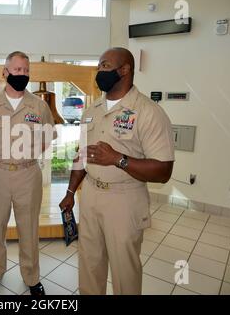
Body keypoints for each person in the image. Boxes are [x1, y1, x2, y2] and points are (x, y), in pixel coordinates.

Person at [59, 47, 175, 295]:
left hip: (124, 200)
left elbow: (163, 170)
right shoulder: (91, 111)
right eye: (99, 66)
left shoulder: (148, 112)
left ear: (124, 70)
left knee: (125, 269)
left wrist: (117, 159)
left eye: (105, 65)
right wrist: (70, 192)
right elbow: (82, 155)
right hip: (90, 196)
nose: (99, 71)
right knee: (89, 263)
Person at [0, 51, 57, 296]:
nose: (22, 74)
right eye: (17, 70)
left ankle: (31, 277)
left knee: (29, 230)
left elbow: (48, 137)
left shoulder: (38, 105)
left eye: (26, 70)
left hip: (28, 175)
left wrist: (27, 155)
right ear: (4, 72)